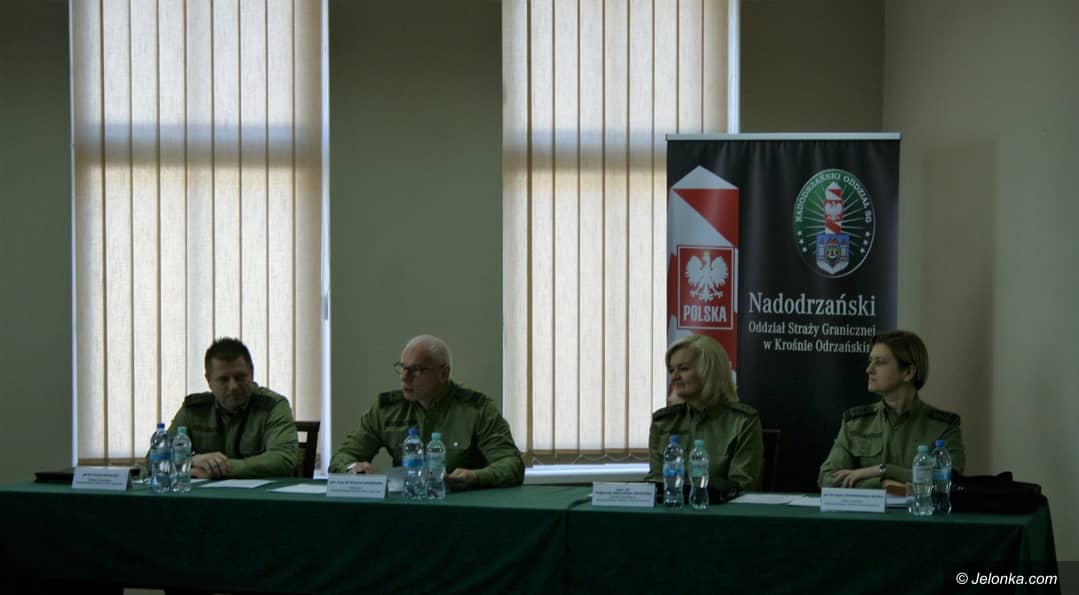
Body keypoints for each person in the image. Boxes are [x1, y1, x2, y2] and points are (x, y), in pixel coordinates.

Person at [329, 335, 524, 490]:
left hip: (462, 508)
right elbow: (343, 456)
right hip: (406, 507)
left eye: (416, 370)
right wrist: (353, 468)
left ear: (443, 373)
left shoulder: (477, 410)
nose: (404, 377)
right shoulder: (386, 410)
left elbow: (512, 465)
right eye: (402, 368)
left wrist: (475, 477)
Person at [818, 330, 965, 489]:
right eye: (870, 361)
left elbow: (948, 479)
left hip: (919, 506)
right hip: (869, 506)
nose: (869, 369)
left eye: (880, 362)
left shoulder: (943, 426)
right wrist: (882, 484)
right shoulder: (856, 423)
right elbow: (827, 479)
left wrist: (885, 470)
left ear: (908, 372)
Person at [158, 337, 298, 479]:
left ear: (252, 373)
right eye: (223, 379)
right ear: (209, 380)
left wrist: (220, 469)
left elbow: (283, 459)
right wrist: (191, 461)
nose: (233, 387)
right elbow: (155, 459)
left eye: (240, 377)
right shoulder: (194, 409)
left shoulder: (273, 406)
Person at [646, 334, 763, 495]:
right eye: (671, 370)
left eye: (684, 369)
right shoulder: (663, 422)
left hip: (720, 509)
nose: (674, 377)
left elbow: (741, 486)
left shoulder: (742, 422)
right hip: (673, 508)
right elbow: (656, 483)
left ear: (710, 371)